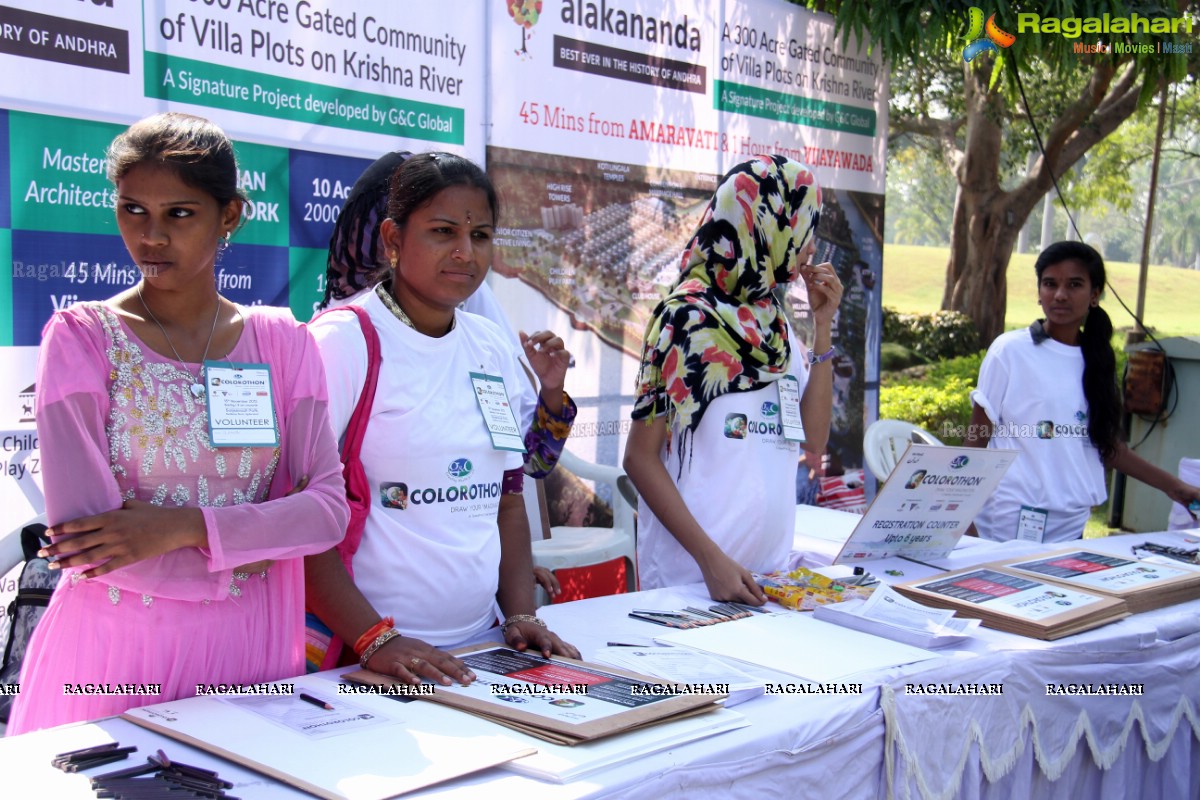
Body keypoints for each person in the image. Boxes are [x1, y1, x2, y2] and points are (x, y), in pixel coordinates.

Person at [8, 113, 348, 733]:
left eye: (179, 214)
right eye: (133, 210)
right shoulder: (85, 340)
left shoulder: (283, 342)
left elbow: (327, 510)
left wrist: (186, 527)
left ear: (231, 217)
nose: (151, 236)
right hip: (115, 654)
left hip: (251, 653)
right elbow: (92, 545)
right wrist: (253, 547)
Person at [306, 152, 578, 688]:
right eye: (442, 231)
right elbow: (298, 516)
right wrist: (375, 640)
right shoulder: (341, 342)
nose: (464, 252)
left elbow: (505, 497)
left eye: (480, 236)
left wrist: (521, 616)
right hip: (367, 661)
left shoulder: (490, 344)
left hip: (482, 651)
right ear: (392, 239)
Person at [624, 155, 843, 604]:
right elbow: (640, 459)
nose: (811, 246)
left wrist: (823, 327)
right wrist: (711, 560)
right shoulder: (683, 320)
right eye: (803, 227)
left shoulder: (774, 323)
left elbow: (814, 441)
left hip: (768, 578)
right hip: (692, 582)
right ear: (764, 226)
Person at [966, 241, 1200, 542]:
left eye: (1074, 285)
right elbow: (976, 439)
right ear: (1039, 293)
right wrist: (962, 515)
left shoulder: (1098, 361)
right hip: (1008, 519)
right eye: (1050, 284)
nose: (1060, 294)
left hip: (1072, 522)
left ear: (1094, 295)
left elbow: (1109, 448)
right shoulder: (1009, 351)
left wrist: (1176, 488)